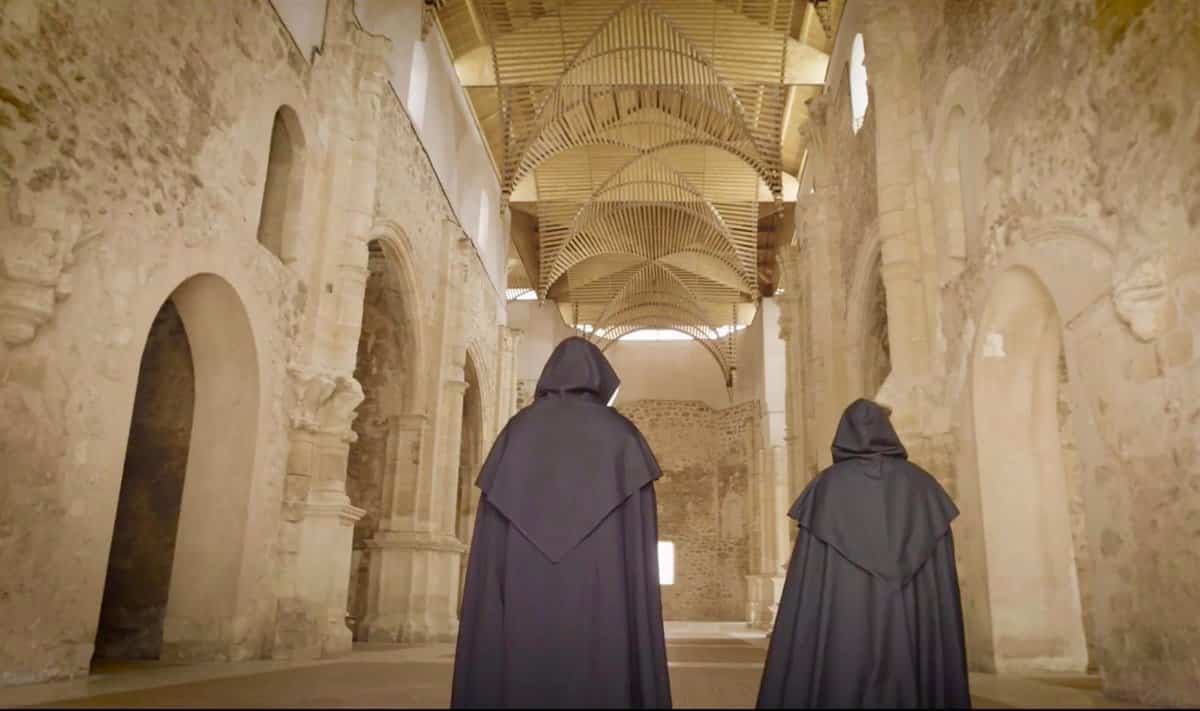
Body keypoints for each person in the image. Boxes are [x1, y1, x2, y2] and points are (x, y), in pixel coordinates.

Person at [451, 337, 673, 709]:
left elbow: (491, 552)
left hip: (522, 596)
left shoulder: (517, 433)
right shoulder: (622, 438)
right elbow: (637, 551)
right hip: (604, 598)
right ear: (599, 378)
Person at [757, 399, 971, 709]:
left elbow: (808, 583)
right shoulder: (923, 488)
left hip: (844, 626)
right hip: (910, 627)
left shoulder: (827, 489)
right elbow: (940, 584)